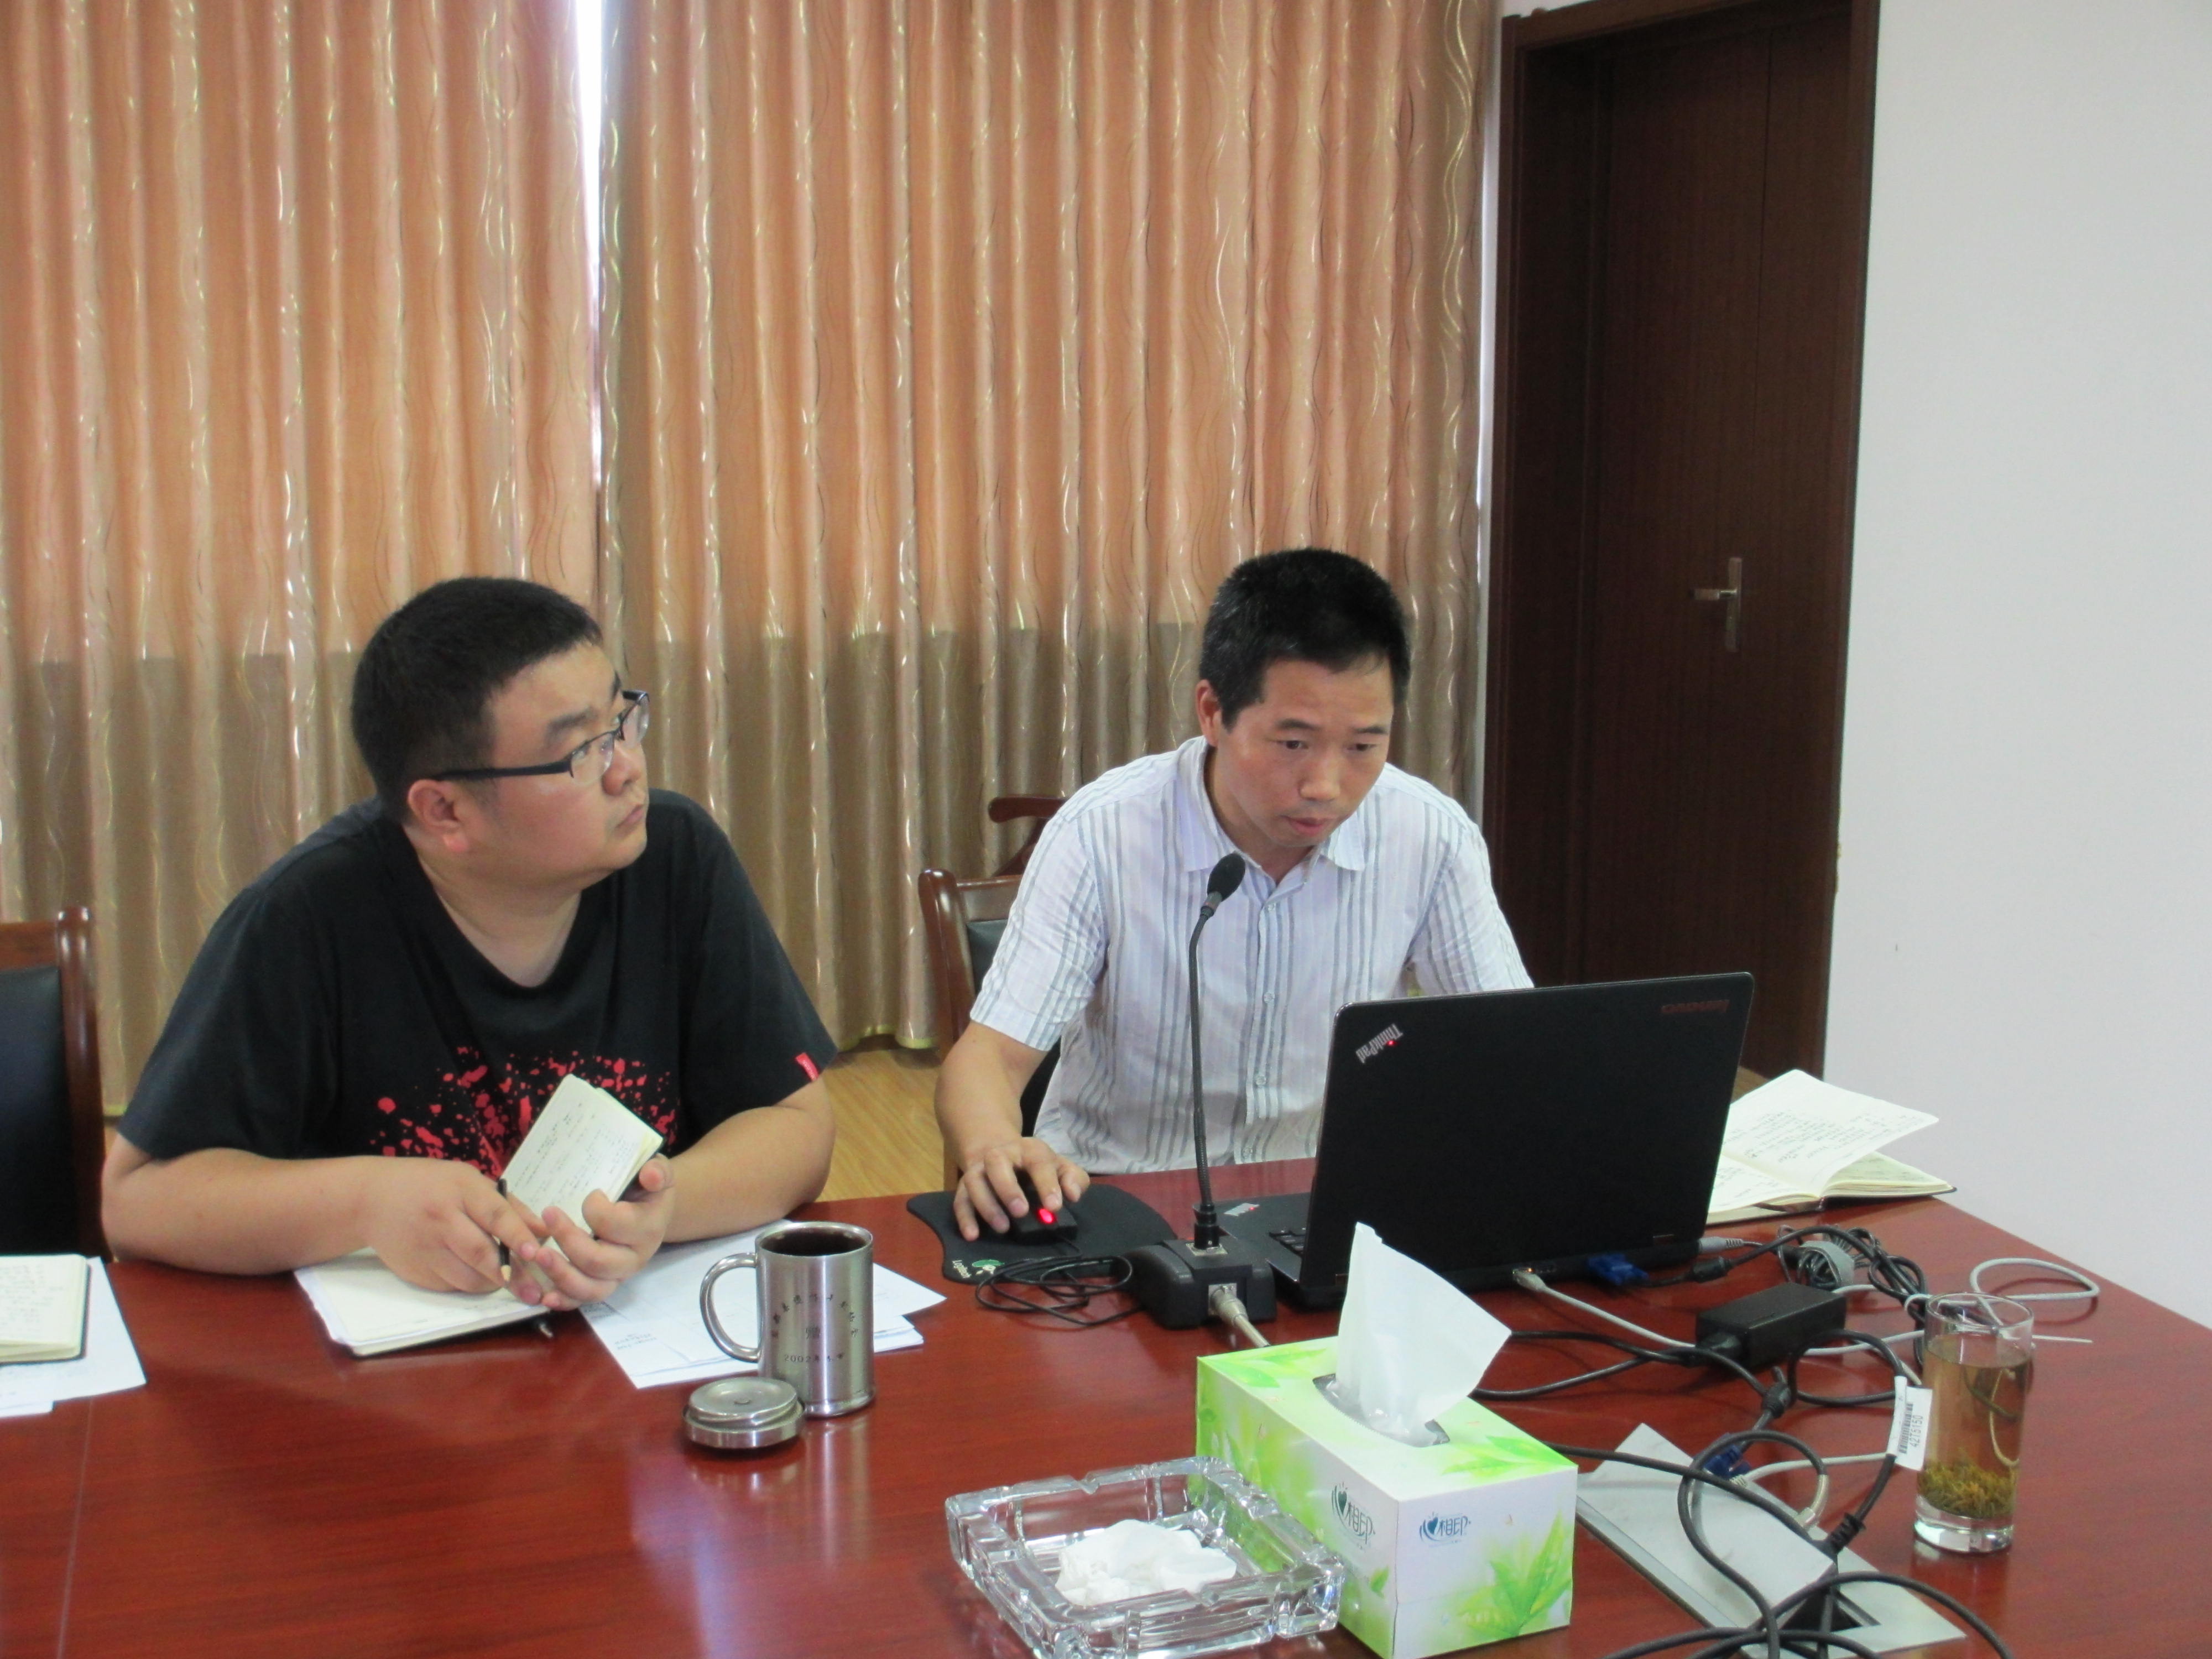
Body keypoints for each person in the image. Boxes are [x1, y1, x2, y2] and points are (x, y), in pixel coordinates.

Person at [102, 577, 838, 1310]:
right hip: (399, 1358)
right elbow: (138, 1200)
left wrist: (661, 1211)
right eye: (581, 752)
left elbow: (797, 1126)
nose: (627, 769)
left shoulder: (674, 858)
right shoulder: (306, 917)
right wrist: (365, 1203)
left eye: (623, 721)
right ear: (445, 811)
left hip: (628, 1339)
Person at [936, 548, 1530, 1240]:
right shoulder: (1104, 833)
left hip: (1326, 1210)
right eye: (1293, 744)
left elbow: (1512, 1050)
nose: (1325, 787)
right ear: (1213, 711)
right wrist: (994, 1148)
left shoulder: (1428, 835)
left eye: (1363, 747)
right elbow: (988, 1058)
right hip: (1118, 1206)